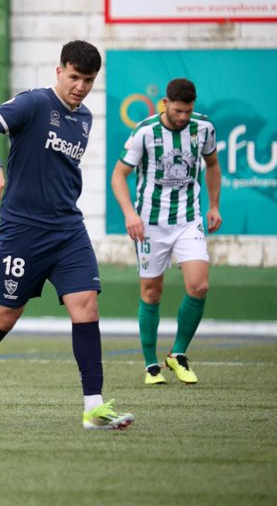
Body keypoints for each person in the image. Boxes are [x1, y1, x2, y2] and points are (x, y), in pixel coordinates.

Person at [0, 40, 134, 430]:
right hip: (23, 230)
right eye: (73, 77)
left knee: (86, 306)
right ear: (58, 71)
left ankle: (94, 406)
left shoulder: (84, 117)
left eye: (88, 80)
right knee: (4, 315)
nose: (80, 86)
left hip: (68, 229)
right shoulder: (34, 104)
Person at [110, 78, 222, 385]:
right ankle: (150, 365)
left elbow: (212, 165)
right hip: (150, 224)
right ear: (165, 104)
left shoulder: (204, 128)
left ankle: (177, 354)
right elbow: (119, 175)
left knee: (199, 286)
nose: (183, 117)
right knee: (151, 292)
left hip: (188, 219)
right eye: (177, 110)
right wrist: (130, 214)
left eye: (188, 111)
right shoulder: (145, 132)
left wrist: (214, 206)